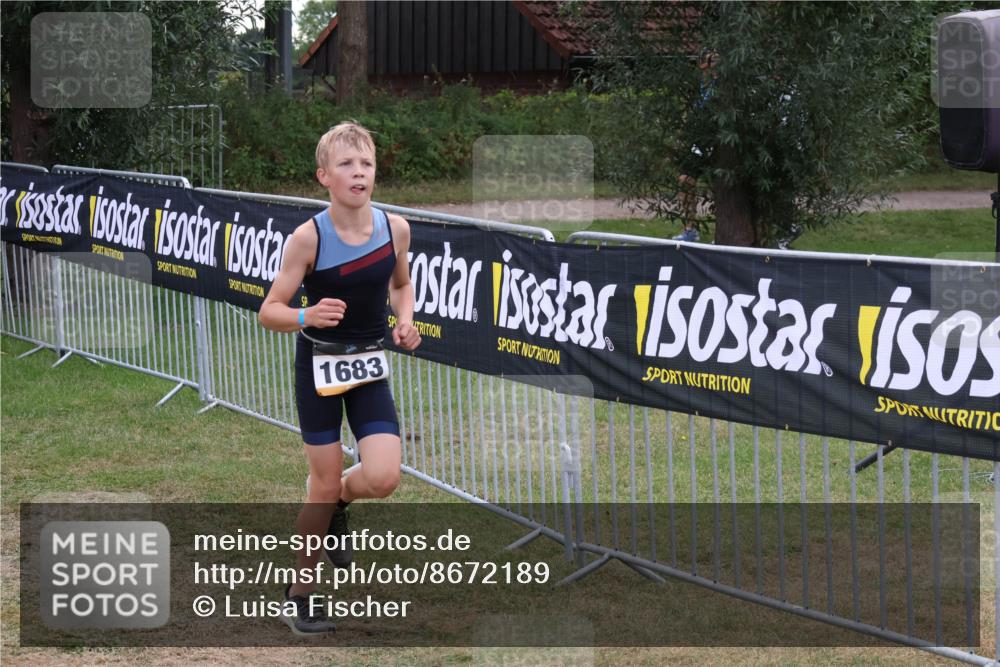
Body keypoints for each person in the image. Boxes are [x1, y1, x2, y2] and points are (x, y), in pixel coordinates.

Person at [258, 121, 421, 634]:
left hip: (368, 364)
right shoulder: (308, 238)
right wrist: (306, 316)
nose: (359, 173)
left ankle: (341, 507)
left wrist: (406, 319)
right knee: (321, 485)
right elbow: (270, 311)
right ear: (324, 176)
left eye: (366, 164)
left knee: (384, 477)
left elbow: (402, 282)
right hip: (319, 367)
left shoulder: (395, 228)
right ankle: (299, 593)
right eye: (347, 165)